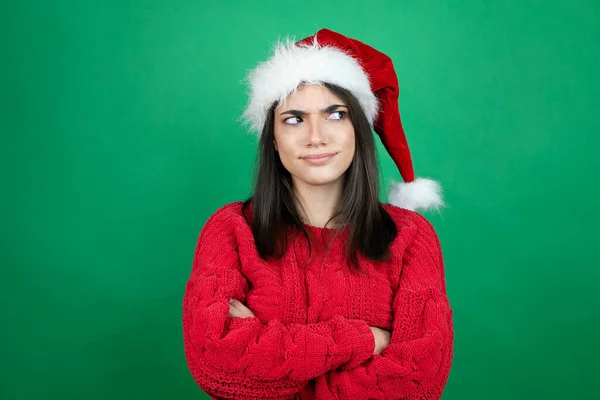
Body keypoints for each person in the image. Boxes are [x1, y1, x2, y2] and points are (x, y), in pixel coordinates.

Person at [182, 28, 454, 399]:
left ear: (358, 129)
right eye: (294, 118)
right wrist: (365, 339)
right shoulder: (231, 230)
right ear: (273, 138)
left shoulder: (411, 237)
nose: (315, 136)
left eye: (335, 115)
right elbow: (216, 363)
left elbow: (416, 385)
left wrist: (271, 359)